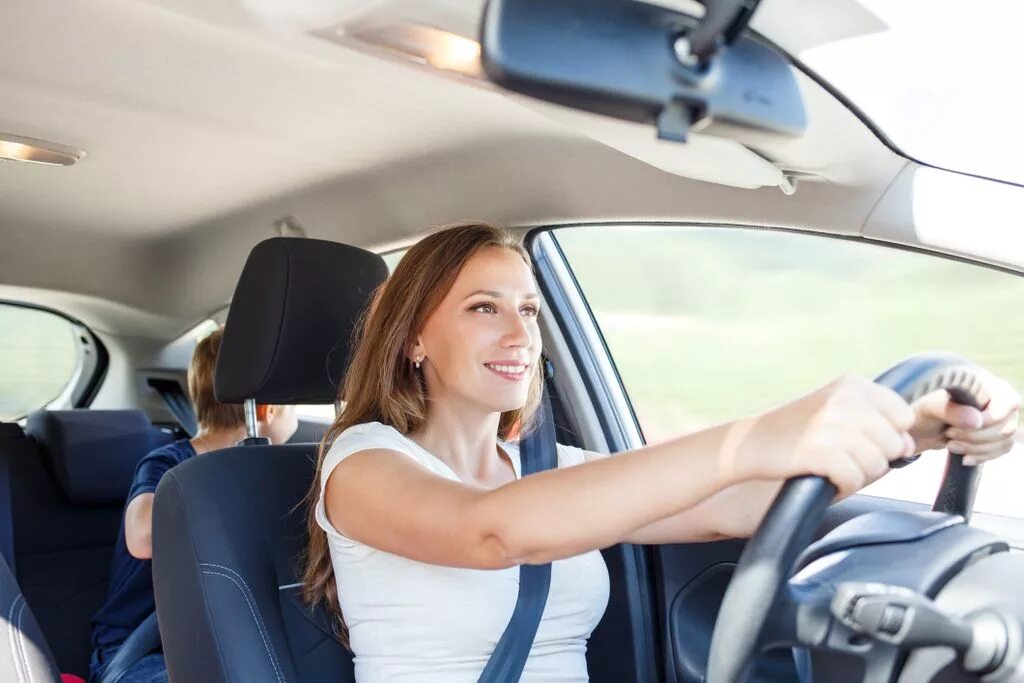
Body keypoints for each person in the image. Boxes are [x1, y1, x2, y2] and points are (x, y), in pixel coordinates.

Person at [303, 222, 1020, 682]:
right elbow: (490, 530)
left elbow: (725, 507)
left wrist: (913, 434)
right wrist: (755, 435)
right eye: (484, 307)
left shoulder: (544, 473)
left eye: (528, 309)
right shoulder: (360, 464)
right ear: (413, 340)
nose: (521, 335)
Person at [89, 328, 298, 683]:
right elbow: (140, 538)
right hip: (141, 650)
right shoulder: (167, 464)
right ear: (268, 408)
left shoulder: (273, 472)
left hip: (227, 640)